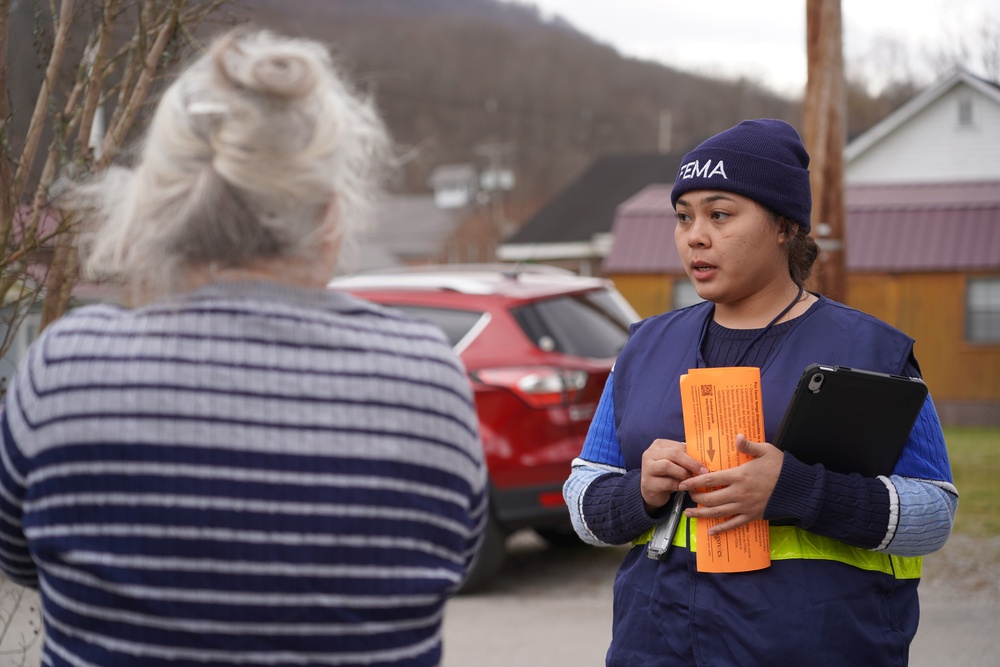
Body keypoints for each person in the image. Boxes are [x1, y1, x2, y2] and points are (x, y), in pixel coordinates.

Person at [0, 29, 487, 667]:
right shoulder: (429, 381)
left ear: (155, 205)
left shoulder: (63, 372)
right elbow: (454, 552)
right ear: (331, 214)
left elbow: (20, 557)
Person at [563, 119, 957, 666]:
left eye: (719, 215)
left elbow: (935, 512)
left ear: (784, 226)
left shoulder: (869, 351)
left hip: (817, 648)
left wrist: (798, 490)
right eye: (684, 217)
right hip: (656, 646)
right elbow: (583, 498)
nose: (695, 235)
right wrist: (640, 493)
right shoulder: (646, 347)